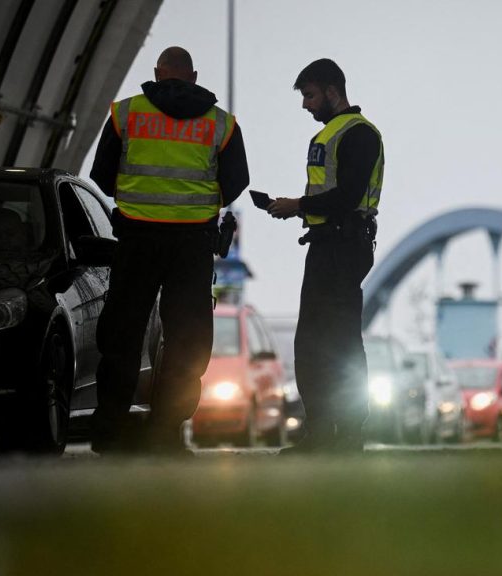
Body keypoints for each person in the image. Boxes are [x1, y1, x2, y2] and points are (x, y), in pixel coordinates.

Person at [88, 46, 249, 454]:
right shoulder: (221, 123)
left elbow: (101, 175)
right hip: (192, 244)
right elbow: (237, 181)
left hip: (136, 239)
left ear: (157, 73)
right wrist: (195, 204)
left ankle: (110, 429)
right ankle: (166, 433)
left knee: (122, 334)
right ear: (193, 76)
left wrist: (138, 201)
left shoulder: (126, 114)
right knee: (186, 339)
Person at [268, 58, 384, 454]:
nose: (306, 105)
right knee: (315, 342)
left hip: (344, 246)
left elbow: (348, 196)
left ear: (333, 91)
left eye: (310, 95)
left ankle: (348, 432)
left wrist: (297, 204)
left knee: (340, 342)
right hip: (325, 244)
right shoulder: (334, 133)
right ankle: (322, 431)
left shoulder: (359, 134)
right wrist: (300, 208)